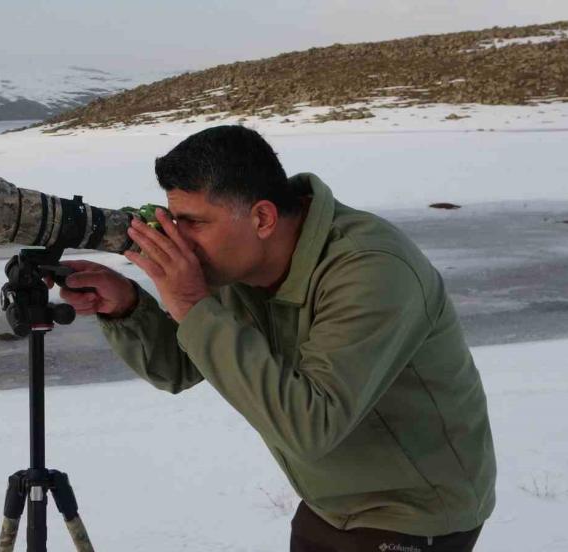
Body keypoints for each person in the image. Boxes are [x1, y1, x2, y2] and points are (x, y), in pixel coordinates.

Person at [55, 125, 496, 551]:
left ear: (262, 217)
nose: (180, 241)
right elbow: (181, 365)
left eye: (193, 222)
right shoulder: (240, 261)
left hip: (414, 511)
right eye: (174, 220)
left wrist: (190, 303)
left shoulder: (371, 269)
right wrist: (128, 307)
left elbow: (311, 426)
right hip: (330, 501)